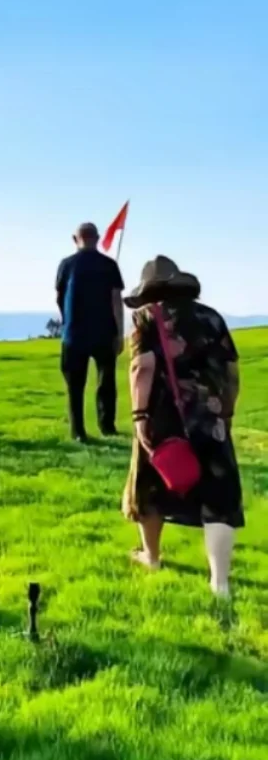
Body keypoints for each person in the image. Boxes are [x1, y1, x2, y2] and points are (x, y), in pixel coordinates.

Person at [122, 256, 243, 595]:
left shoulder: (145, 317)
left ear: (149, 291)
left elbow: (142, 368)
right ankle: (219, 583)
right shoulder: (212, 317)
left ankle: (152, 556)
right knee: (219, 495)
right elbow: (231, 371)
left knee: (149, 486)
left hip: (163, 415)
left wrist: (139, 416)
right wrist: (226, 411)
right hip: (211, 415)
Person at [55, 222, 125, 442]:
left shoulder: (66, 264)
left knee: (75, 385)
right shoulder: (109, 265)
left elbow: (59, 296)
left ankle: (78, 432)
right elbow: (116, 301)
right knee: (106, 382)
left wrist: (67, 321)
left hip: (74, 333)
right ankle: (107, 427)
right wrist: (120, 332)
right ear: (97, 238)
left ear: (75, 239)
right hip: (104, 331)